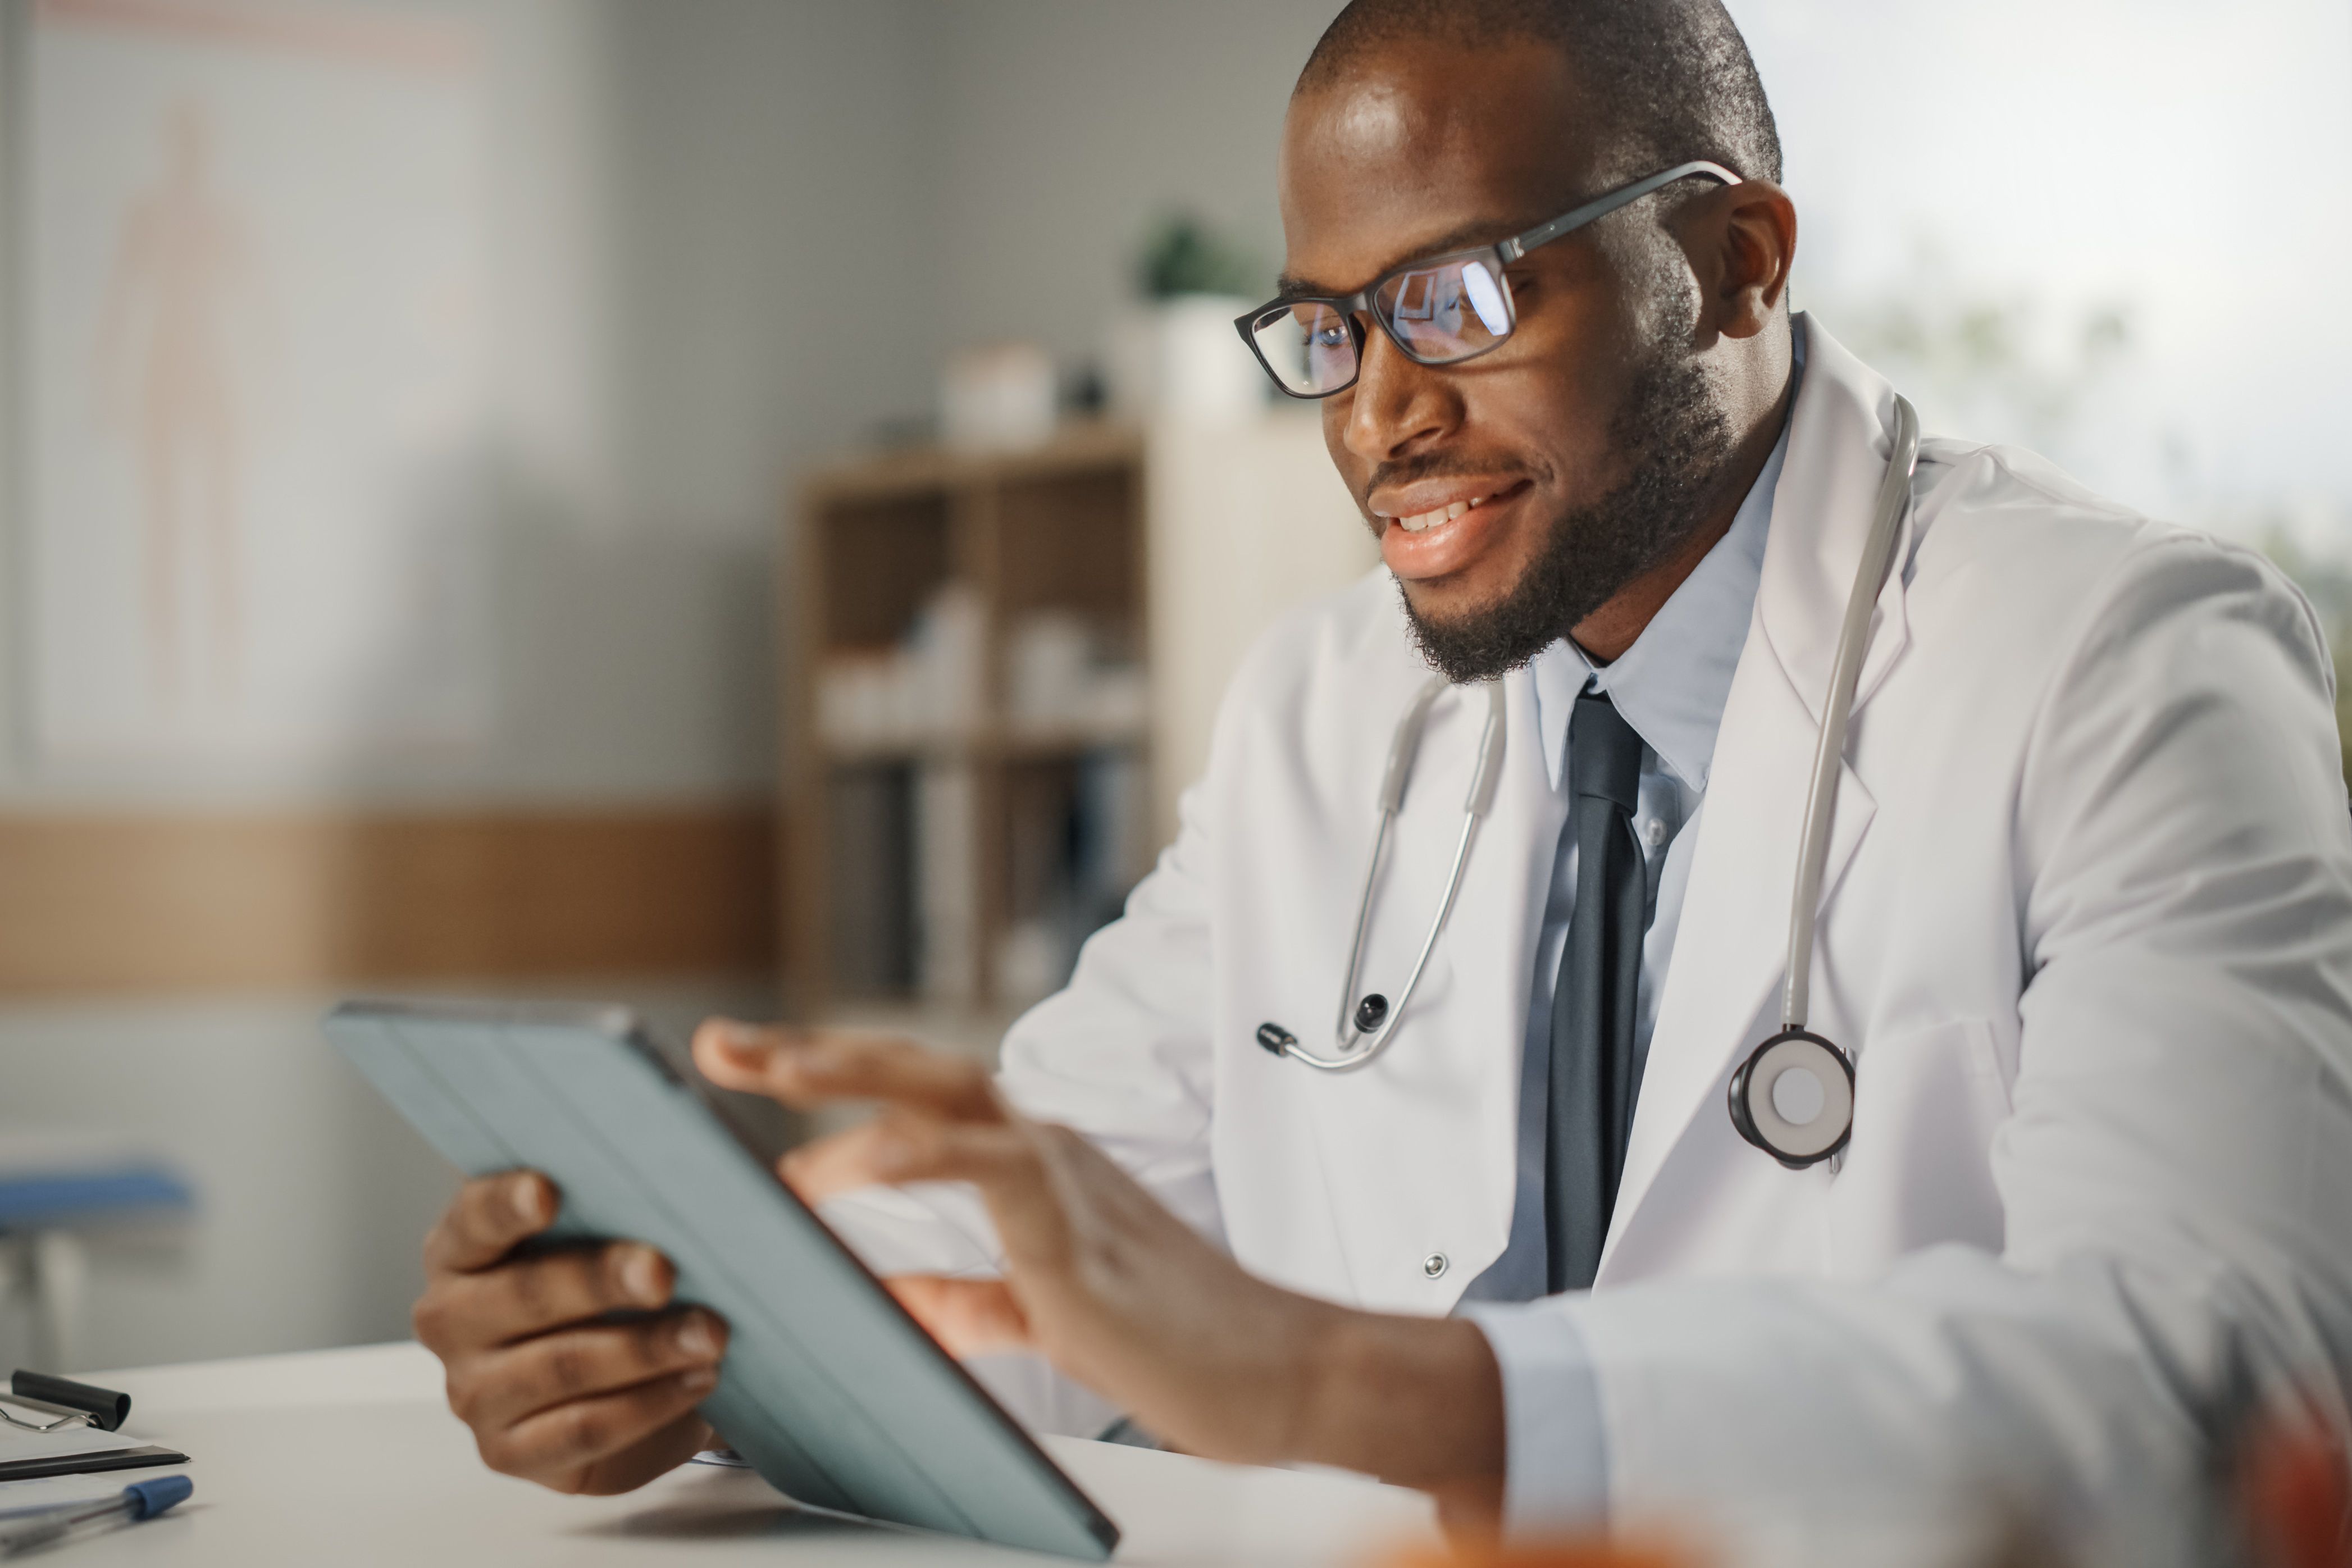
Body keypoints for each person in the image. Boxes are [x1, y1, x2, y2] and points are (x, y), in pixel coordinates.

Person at [408, 0, 2352, 1550]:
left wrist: (1353, 1389)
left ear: (1733, 261)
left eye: (1465, 295)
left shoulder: (2125, 662)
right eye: (1332, 331)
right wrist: (670, 1339)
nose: (1382, 415)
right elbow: (1050, 1226)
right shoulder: (1320, 712)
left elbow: (2230, 1373)